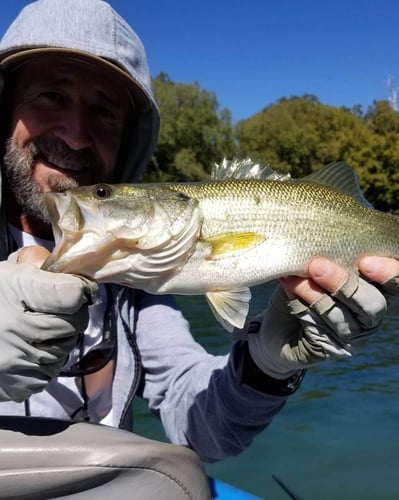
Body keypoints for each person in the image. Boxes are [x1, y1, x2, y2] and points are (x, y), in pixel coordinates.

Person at [0, 0, 397, 464]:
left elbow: (202, 431)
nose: (75, 134)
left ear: (130, 136)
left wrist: (268, 366)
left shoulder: (134, 280)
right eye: (51, 95)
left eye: (105, 111)